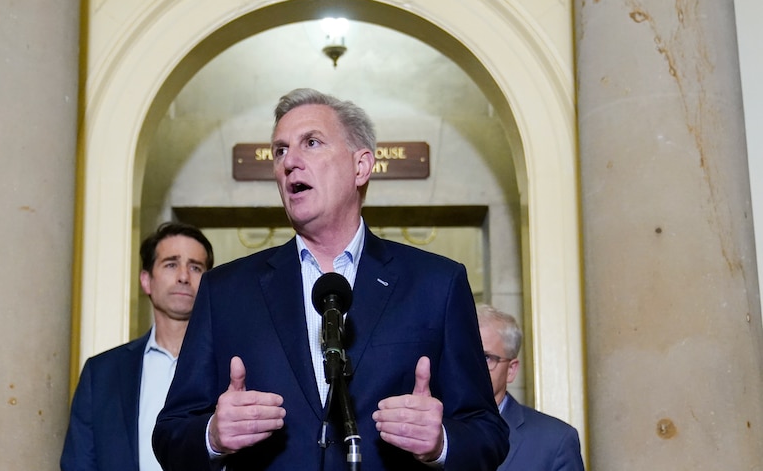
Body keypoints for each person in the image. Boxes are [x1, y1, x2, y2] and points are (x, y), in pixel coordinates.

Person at [153, 88, 509, 471]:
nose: (290, 161)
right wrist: (213, 435)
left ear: (361, 167)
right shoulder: (225, 291)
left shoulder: (437, 284)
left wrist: (441, 441)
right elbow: (170, 435)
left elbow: (487, 433)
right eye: (280, 150)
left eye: (311, 143)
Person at [61, 222, 215, 471]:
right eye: (171, 264)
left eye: (196, 267)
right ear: (146, 280)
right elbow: (79, 463)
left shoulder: (230, 366)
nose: (184, 276)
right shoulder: (101, 374)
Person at [476, 304, 585, 471]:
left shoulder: (555, 441)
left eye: (486, 358)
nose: (471, 366)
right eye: (463, 355)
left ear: (511, 370)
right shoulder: (431, 429)